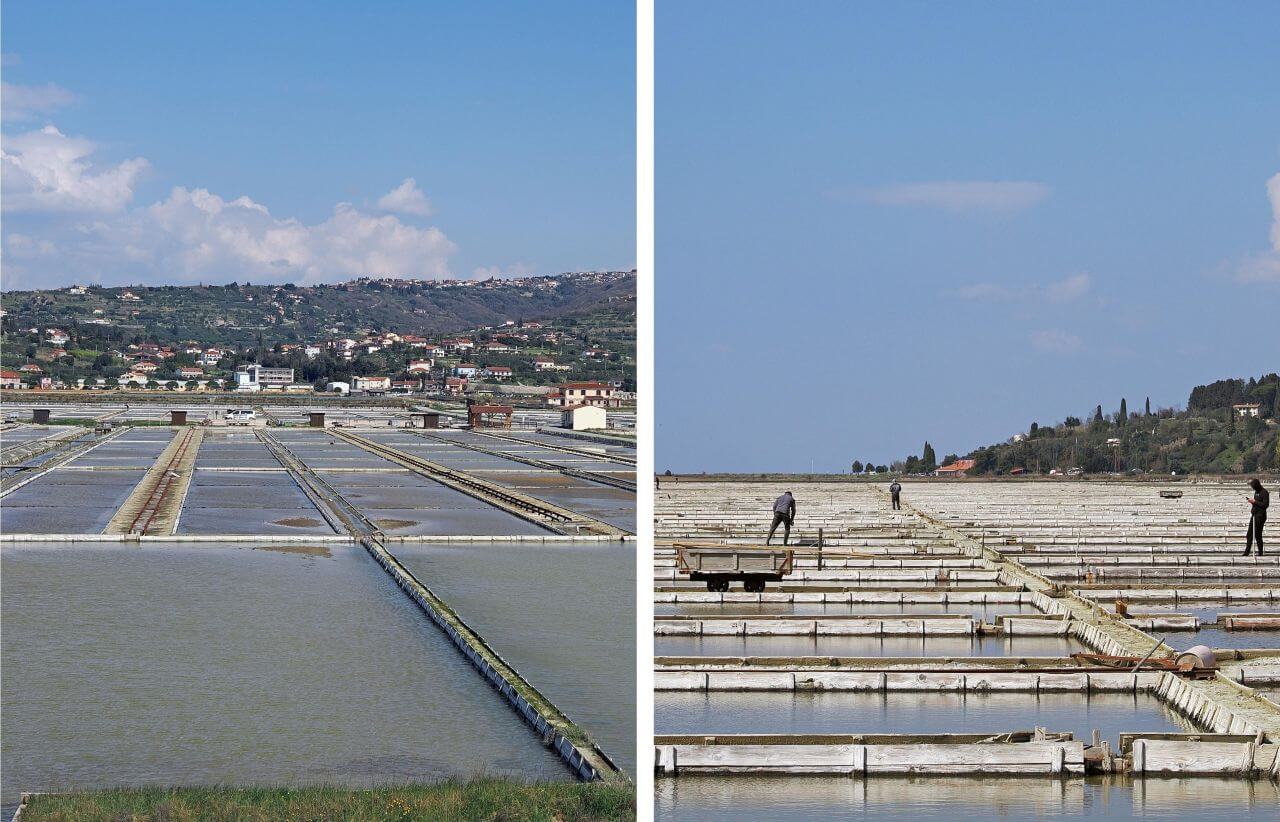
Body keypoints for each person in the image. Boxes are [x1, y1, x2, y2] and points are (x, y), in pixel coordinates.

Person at [1244, 478, 1269, 556]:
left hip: (1261, 516)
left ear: (1257, 485)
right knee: (1249, 534)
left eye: (1253, 487)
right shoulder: (1256, 492)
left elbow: (1265, 505)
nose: (1253, 488)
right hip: (1254, 515)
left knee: (1257, 535)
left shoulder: (1264, 492)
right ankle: (1247, 552)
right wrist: (1252, 503)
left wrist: (1255, 502)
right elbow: (1257, 503)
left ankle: (1260, 553)